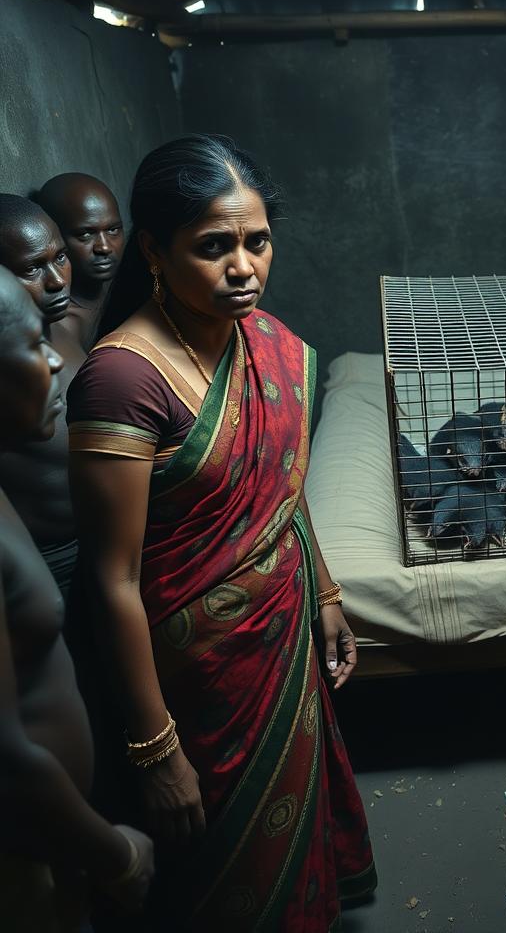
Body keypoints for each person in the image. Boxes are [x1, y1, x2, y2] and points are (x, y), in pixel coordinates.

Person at [67, 134, 376, 932]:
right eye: (214, 247)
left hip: (279, 640)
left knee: (286, 835)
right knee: (216, 871)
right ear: (154, 251)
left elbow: (280, 488)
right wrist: (156, 746)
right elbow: (111, 581)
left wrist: (327, 590)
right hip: (194, 686)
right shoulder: (124, 377)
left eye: (257, 241)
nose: (245, 267)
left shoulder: (262, 342)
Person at [0, 266, 153, 931]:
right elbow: (3, 760)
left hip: (51, 846)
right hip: (25, 857)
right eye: (34, 344)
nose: (58, 358)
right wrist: (115, 854)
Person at [0, 195, 87, 601]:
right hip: (51, 564)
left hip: (105, 544)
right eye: (32, 268)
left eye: (61, 258)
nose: (57, 280)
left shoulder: (68, 327)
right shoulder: (10, 370)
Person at [36, 173, 125, 350]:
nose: (104, 247)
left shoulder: (133, 288)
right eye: (85, 234)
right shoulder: (61, 325)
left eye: (113, 230)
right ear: (54, 237)